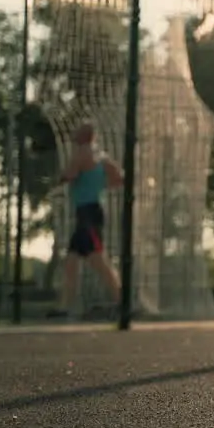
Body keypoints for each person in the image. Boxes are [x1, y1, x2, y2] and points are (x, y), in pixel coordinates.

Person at [48, 122, 125, 320]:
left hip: (88, 214)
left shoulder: (81, 153)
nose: (73, 134)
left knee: (98, 260)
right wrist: (99, 184)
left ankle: (122, 301)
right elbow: (119, 178)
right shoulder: (102, 156)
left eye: (76, 131)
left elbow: (70, 174)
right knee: (71, 261)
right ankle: (65, 306)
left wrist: (59, 179)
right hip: (89, 211)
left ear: (84, 136)